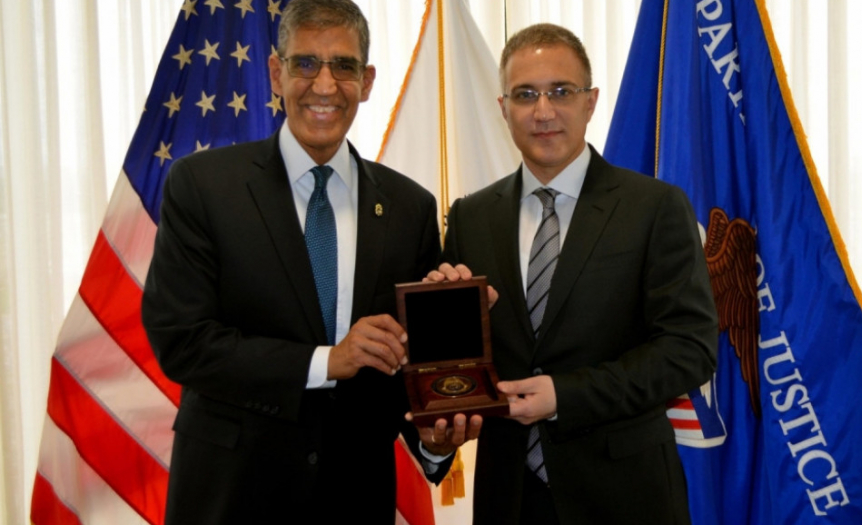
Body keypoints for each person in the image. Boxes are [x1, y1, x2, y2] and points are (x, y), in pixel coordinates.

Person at [141, 1, 479, 523]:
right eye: (305, 64)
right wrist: (326, 361)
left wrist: (434, 439)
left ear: (366, 81)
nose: (324, 85)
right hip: (232, 497)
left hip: (356, 498)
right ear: (276, 73)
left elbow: (408, 362)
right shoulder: (203, 186)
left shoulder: (410, 208)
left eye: (343, 66)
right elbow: (182, 341)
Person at [426, 23, 718, 524]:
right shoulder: (470, 217)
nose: (543, 111)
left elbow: (689, 351)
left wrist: (565, 395)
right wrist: (447, 322)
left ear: (590, 101)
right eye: (525, 95)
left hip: (626, 498)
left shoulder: (654, 208)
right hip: (508, 498)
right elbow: (462, 360)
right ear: (503, 108)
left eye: (561, 91)